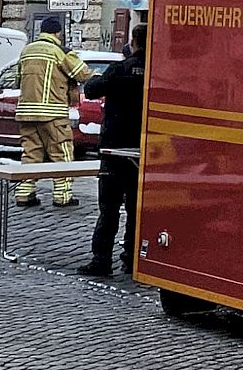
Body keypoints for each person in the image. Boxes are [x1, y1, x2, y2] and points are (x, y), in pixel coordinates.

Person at [81, 26, 146, 277]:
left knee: (109, 207)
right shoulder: (155, 70)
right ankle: (132, 258)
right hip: (142, 148)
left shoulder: (120, 68)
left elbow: (93, 89)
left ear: (133, 42)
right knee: (134, 207)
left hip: (114, 148)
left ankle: (101, 259)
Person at [14, 17, 94, 208]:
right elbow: (82, 74)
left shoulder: (26, 51)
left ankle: (25, 194)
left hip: (26, 111)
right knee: (62, 153)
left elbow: (18, 80)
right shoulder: (60, 52)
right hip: (53, 112)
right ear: (58, 33)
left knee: (31, 153)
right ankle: (62, 196)